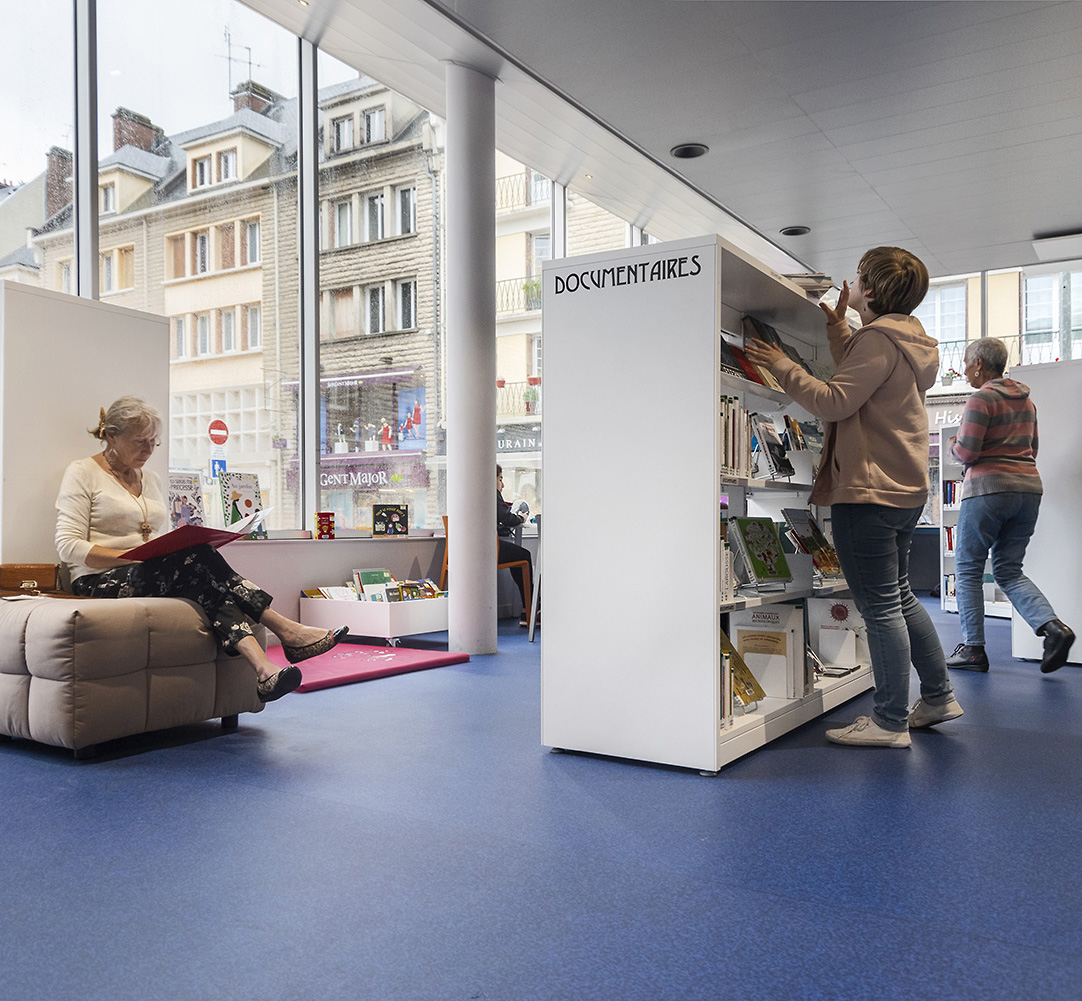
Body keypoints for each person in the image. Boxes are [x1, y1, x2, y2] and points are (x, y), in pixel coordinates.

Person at [745, 247, 962, 748]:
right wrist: (839, 328)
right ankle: (938, 696)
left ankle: (889, 722)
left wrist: (782, 365)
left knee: (881, 608)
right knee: (899, 597)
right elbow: (864, 379)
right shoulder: (904, 341)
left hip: (869, 491)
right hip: (902, 489)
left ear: (872, 289)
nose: (852, 282)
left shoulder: (878, 340)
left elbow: (835, 400)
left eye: (860, 277)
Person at [55, 396, 347, 703]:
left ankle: (264, 670)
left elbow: (154, 533)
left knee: (203, 577)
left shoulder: (150, 478)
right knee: (200, 561)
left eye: (154, 442)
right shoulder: (82, 472)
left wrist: (165, 549)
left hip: (148, 571)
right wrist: (134, 557)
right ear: (111, 436)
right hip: (98, 580)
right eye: (140, 441)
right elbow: (67, 545)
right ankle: (286, 629)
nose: (148, 450)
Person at [945, 337, 1075, 673]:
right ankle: (1054, 629)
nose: (963, 368)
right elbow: (1033, 448)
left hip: (988, 489)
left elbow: (967, 451)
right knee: (1008, 570)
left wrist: (952, 444)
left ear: (979, 363)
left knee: (968, 568)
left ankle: (973, 649)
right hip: (1028, 490)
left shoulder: (981, 398)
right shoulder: (1028, 403)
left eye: (966, 361)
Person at [497, 464, 535, 627]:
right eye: (500, 479)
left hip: (466, 550)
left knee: (515, 555)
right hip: (488, 549)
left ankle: (528, 608)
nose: (503, 484)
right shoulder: (491, 493)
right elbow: (507, 518)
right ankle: (530, 609)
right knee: (524, 555)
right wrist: (521, 518)